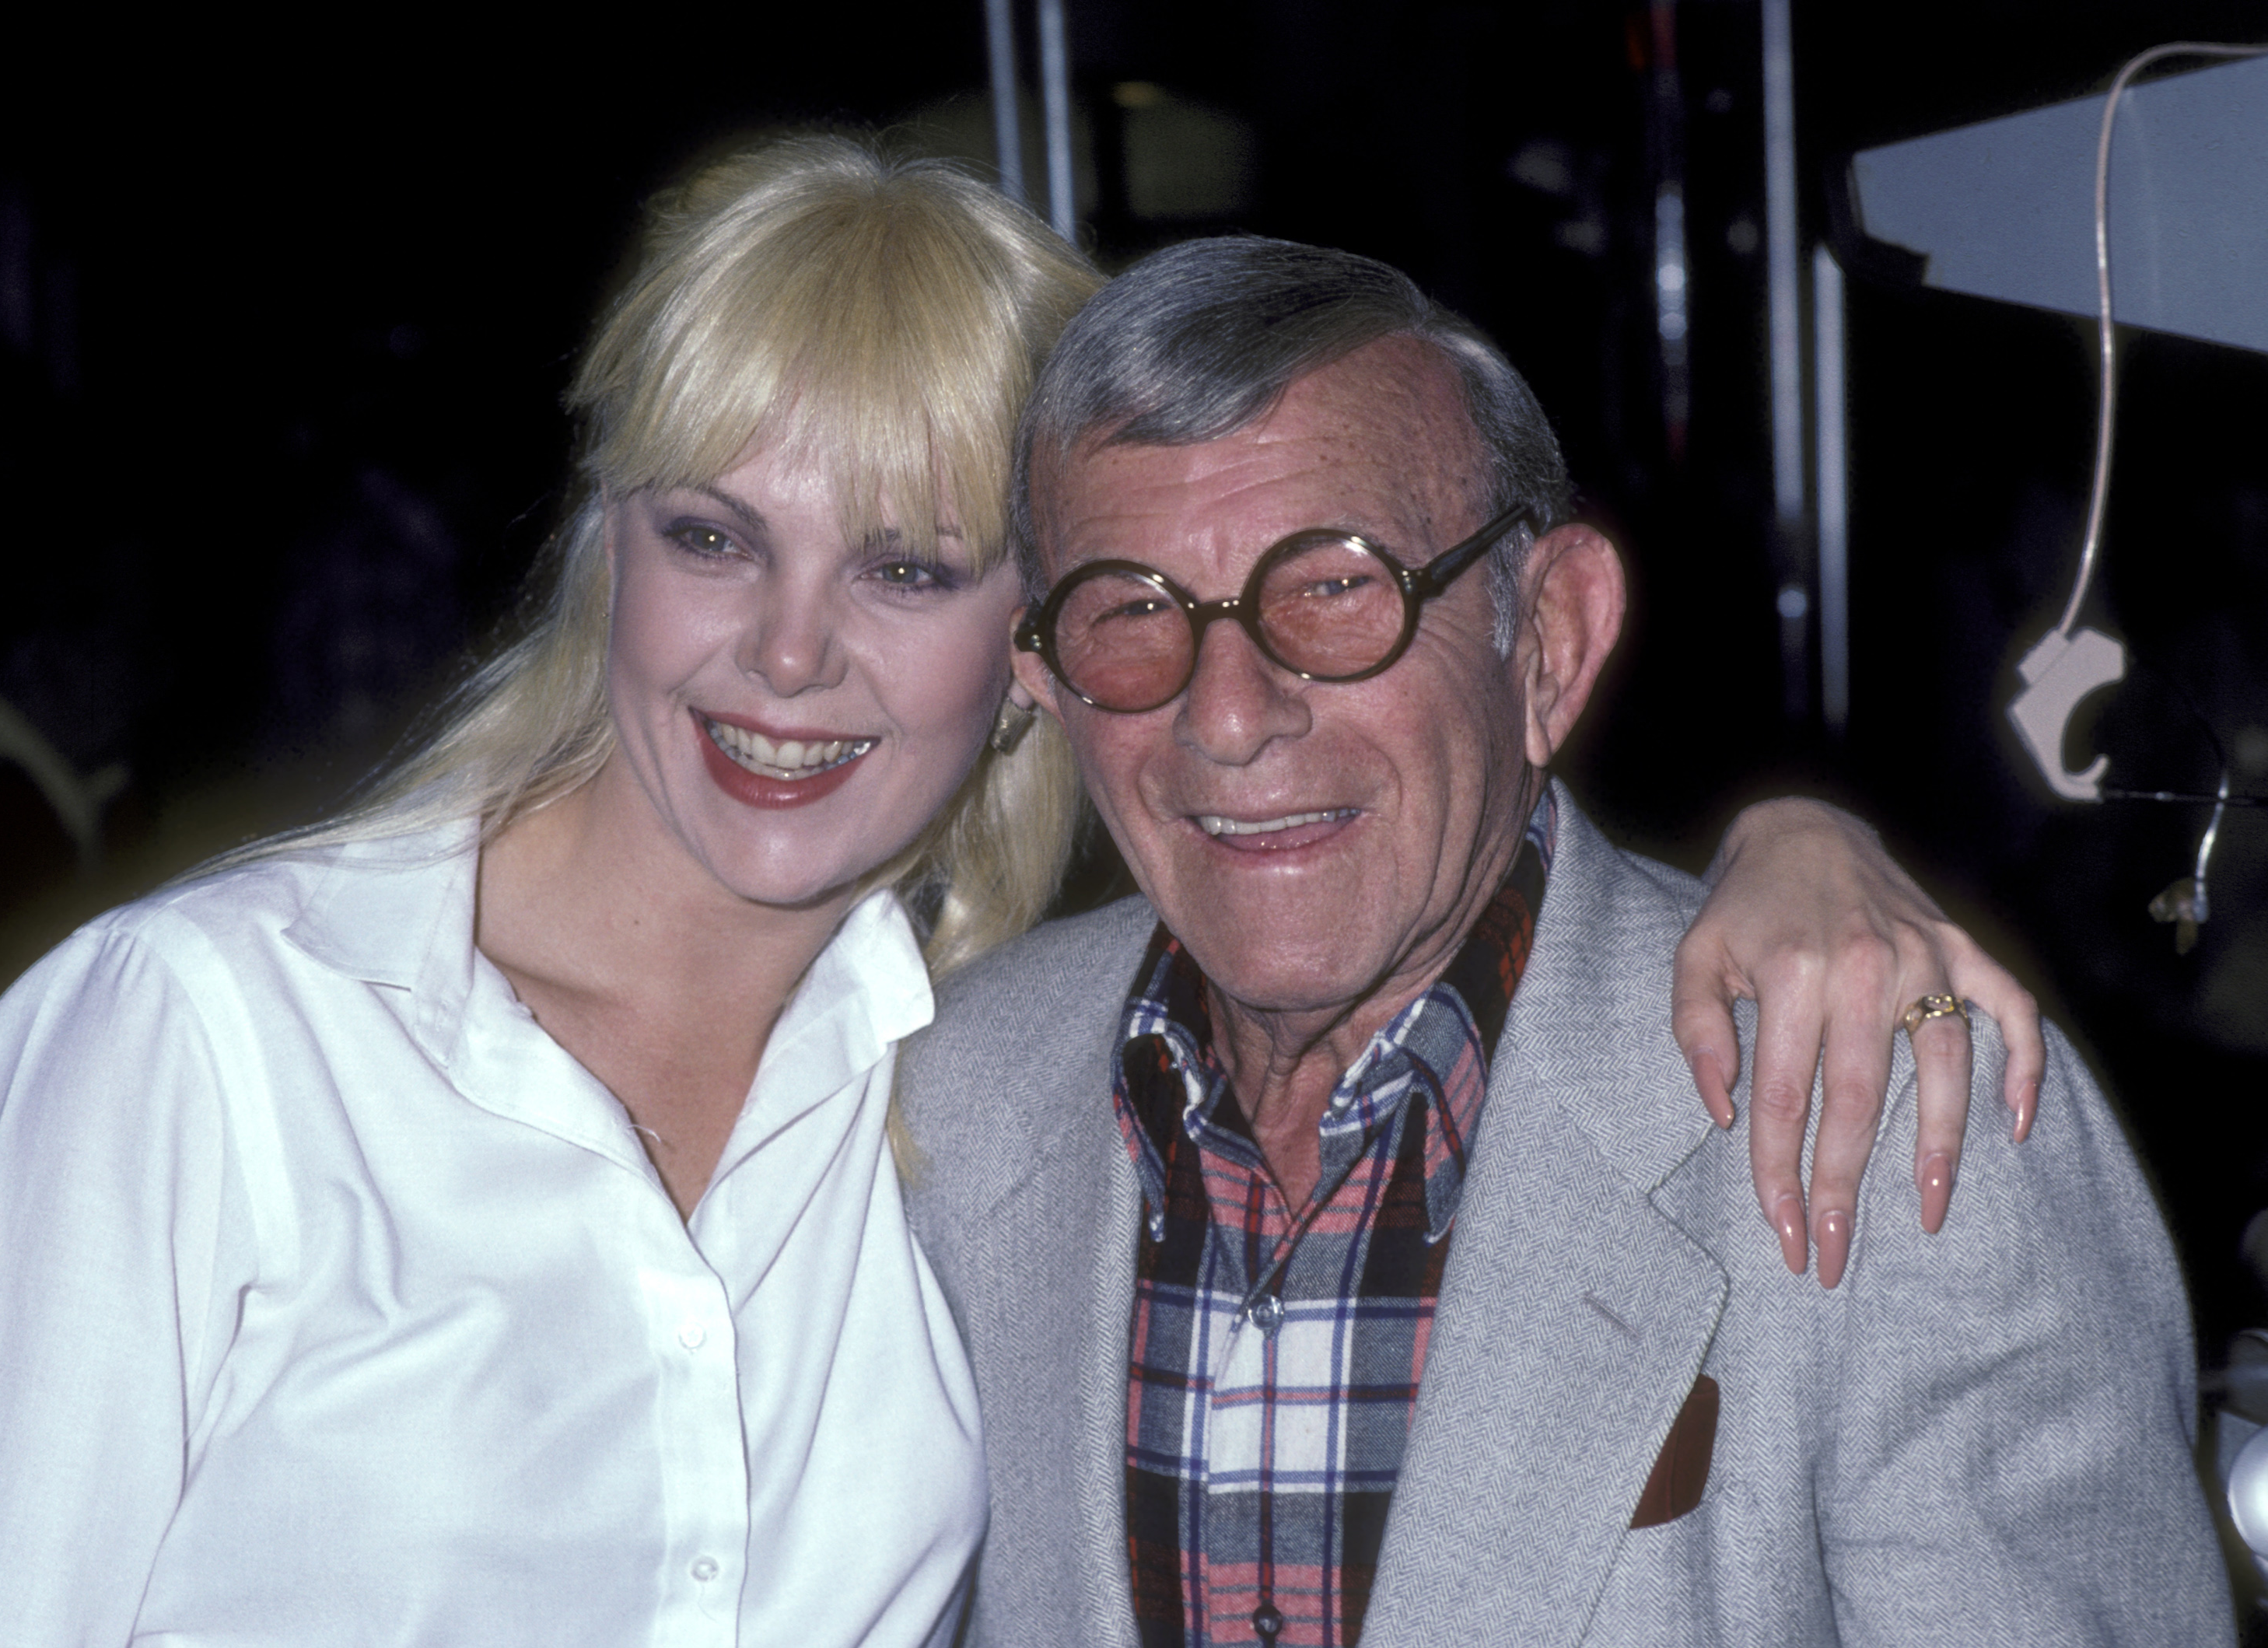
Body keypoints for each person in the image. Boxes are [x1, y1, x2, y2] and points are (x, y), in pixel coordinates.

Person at [0, 138, 2034, 1645]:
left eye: (911, 567)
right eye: (715, 533)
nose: (785, 653)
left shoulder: (967, 1096)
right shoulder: (203, 1044)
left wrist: (1790, 849)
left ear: (1040, 657)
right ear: (607, 553)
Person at [901, 235, 2226, 1646]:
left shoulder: (1900, 1114)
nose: (1230, 718)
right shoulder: (951, 1103)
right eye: (1132, 614)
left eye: (1336, 590)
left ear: (1547, 637)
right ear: (1043, 679)